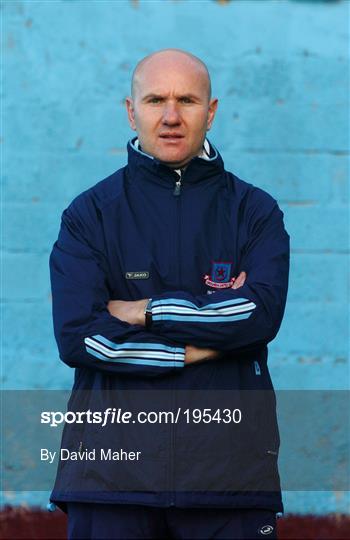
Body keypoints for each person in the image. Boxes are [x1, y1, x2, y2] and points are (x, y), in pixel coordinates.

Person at [49, 49, 290, 539]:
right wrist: (195, 348)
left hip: (230, 476)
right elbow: (78, 337)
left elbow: (259, 316)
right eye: (156, 99)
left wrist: (145, 311)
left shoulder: (255, 212)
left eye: (188, 100)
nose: (172, 116)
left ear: (212, 109)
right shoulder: (90, 214)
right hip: (111, 477)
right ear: (131, 109)